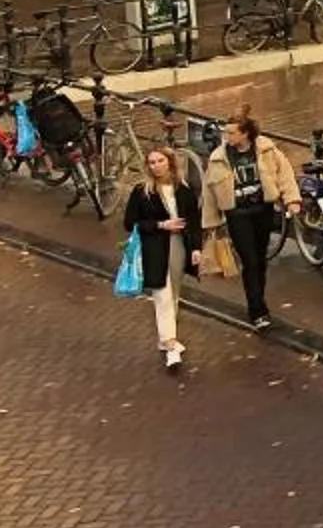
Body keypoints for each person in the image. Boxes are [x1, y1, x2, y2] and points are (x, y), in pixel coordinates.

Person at [200, 113, 300, 330]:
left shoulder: (266, 149)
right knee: (250, 261)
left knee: (261, 260)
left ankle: (258, 300)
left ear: (245, 134)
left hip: (262, 210)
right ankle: (257, 310)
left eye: (231, 132)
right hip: (237, 215)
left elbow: (285, 174)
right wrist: (211, 224)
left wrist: (291, 200)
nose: (226, 136)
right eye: (225, 132)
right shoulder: (219, 157)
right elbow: (209, 191)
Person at [121, 147, 199, 372]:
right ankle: (171, 345)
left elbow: (194, 222)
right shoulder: (142, 191)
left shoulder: (184, 190)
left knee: (173, 292)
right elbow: (130, 222)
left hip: (178, 247)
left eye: (160, 161)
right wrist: (160, 225)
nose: (155, 166)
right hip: (154, 247)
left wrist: (196, 248)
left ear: (170, 163)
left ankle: (165, 338)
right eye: (151, 162)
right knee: (162, 293)